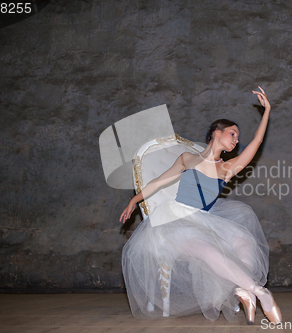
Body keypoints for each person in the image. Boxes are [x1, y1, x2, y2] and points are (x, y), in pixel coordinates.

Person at [119, 86, 281, 325]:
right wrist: (135, 199)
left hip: (204, 219)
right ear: (217, 133)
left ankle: (244, 290)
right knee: (208, 251)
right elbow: (159, 181)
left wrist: (267, 110)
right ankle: (260, 291)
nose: (236, 140)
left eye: (237, 137)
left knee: (244, 241)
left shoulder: (226, 168)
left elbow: (256, 142)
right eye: (232, 134)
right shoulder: (187, 159)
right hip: (174, 220)